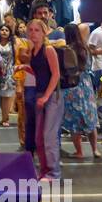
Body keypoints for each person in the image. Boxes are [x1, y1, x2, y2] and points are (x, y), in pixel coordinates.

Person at [21, 18, 63, 180]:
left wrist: (46, 96)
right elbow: (40, 73)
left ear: (44, 32)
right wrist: (25, 67)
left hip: (52, 96)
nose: (33, 33)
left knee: (49, 136)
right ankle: (45, 170)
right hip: (41, 95)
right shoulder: (33, 51)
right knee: (39, 138)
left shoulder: (49, 50)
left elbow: (56, 74)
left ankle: (54, 172)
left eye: (36, 30)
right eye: (30, 30)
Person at [61, 23, 100, 159]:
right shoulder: (86, 48)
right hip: (87, 84)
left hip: (73, 85)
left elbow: (68, 68)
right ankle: (95, 149)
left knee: (74, 122)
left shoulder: (68, 49)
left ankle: (79, 152)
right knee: (91, 118)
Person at [0, 24, 17, 126]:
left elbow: (16, 57)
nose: (4, 31)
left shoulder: (12, 44)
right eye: (2, 29)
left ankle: (5, 118)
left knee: (7, 96)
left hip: (9, 72)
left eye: (6, 30)